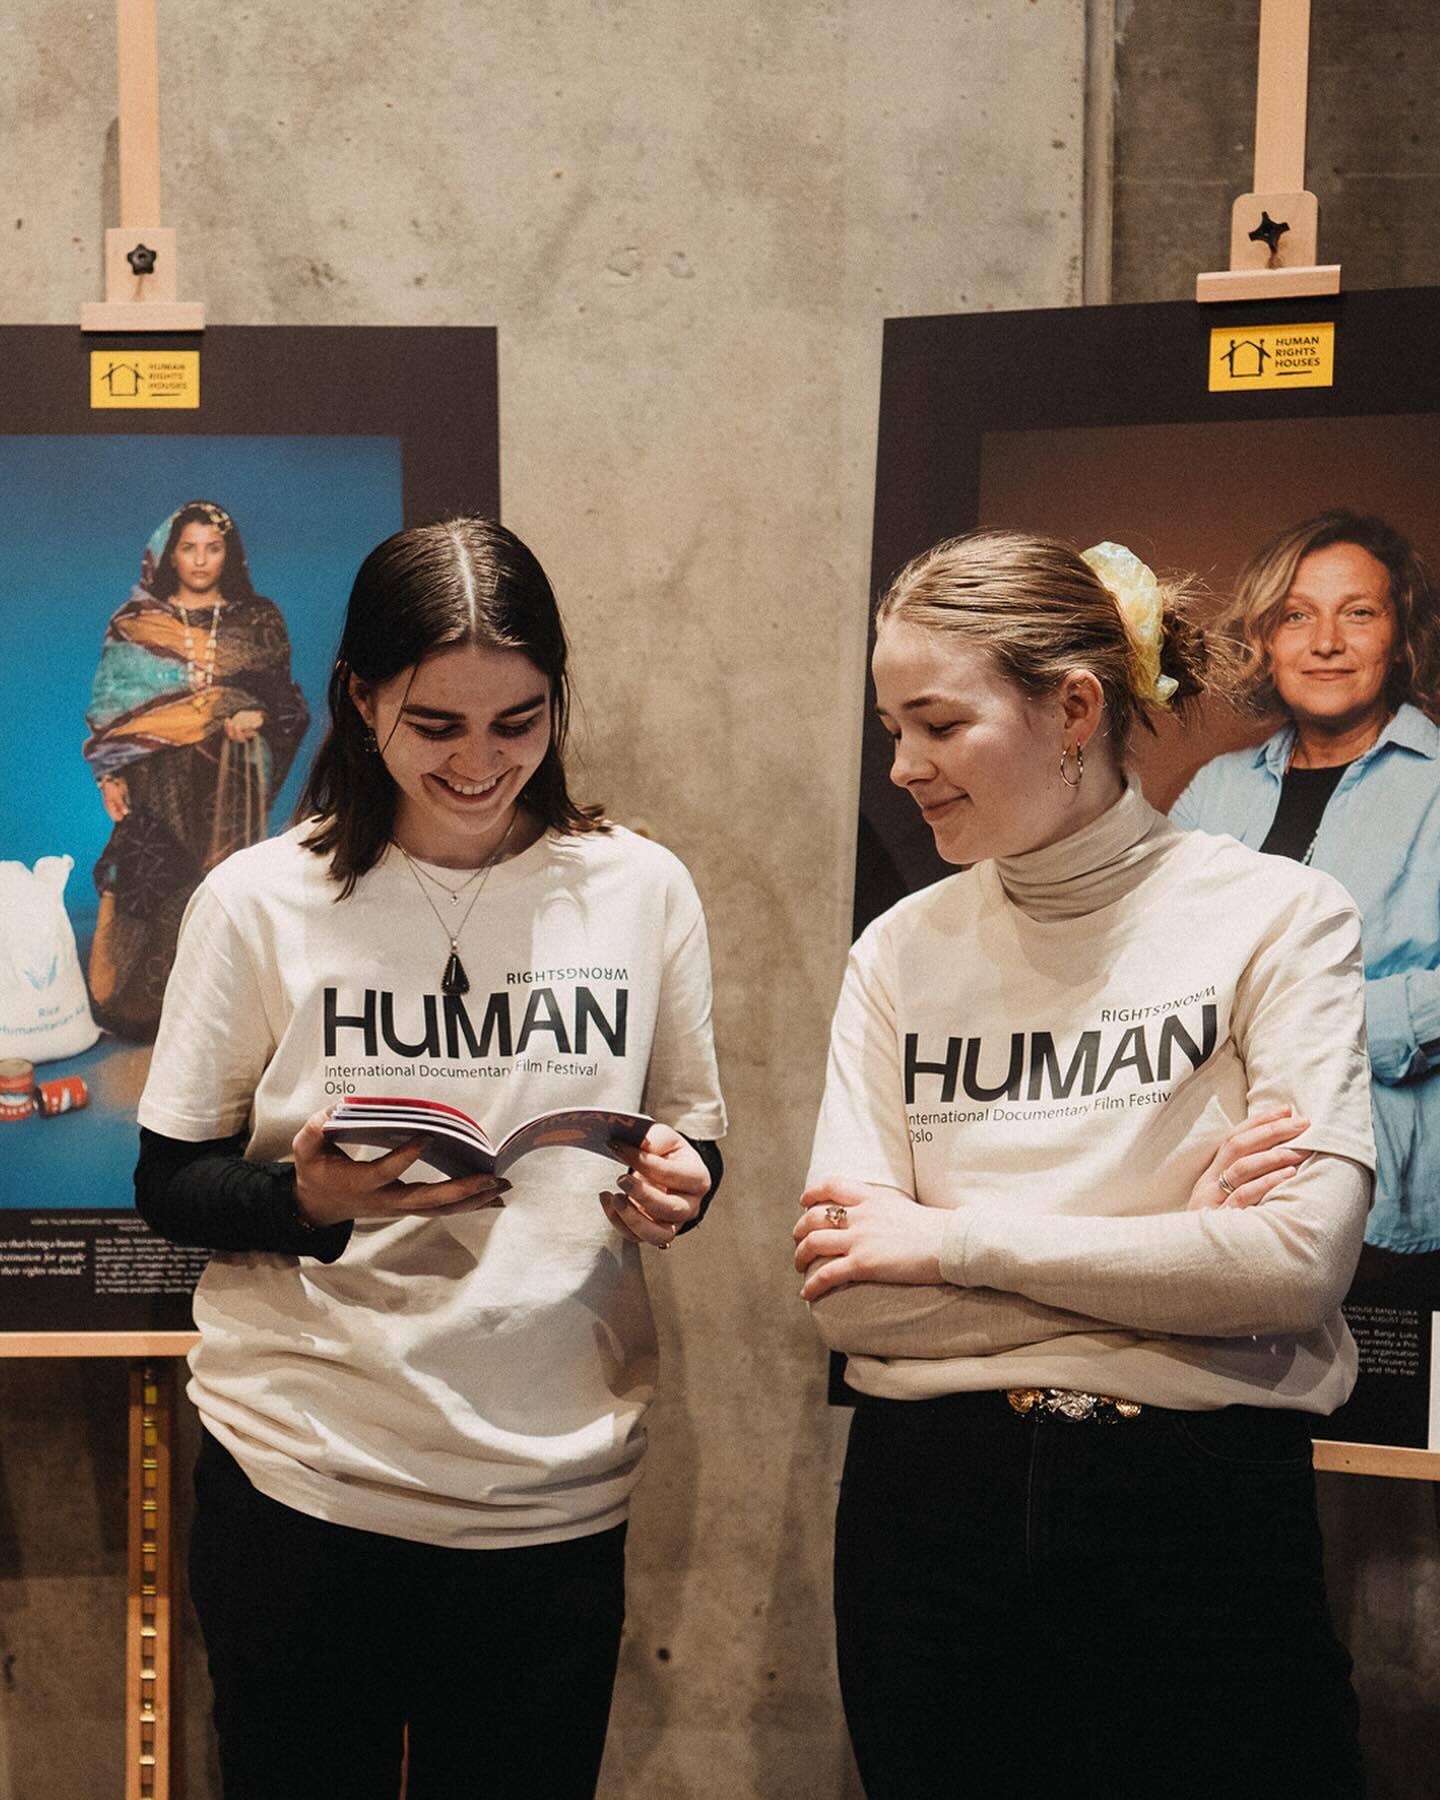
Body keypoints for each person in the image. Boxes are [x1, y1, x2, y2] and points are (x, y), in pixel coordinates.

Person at [133, 518, 727, 1799]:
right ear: (360, 697)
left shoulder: (639, 890)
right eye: (436, 723)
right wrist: (305, 1197)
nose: (480, 762)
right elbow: (168, 1182)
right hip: (307, 1472)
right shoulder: (259, 898)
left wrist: (684, 1184)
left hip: (554, 1486)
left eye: (517, 722)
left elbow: (692, 1126)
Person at [794, 530, 1373, 1799]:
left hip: (1197, 1513)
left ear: (1072, 708)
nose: (904, 768)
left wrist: (950, 1238)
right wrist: (1169, 1237)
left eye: (939, 725)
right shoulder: (898, 952)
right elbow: (855, 1287)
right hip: (928, 1517)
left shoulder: (1279, 917)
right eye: (894, 728)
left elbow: (1289, 1268)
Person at [1172, 509, 1440, 1283]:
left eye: (1358, 612)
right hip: (1223, 1194)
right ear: (1266, 639)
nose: (1326, 642)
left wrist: (1322, 1023)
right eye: (1297, 616)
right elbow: (1147, 967)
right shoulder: (1212, 792)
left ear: (1401, 634)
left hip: (1393, 1207)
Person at [83, 500, 309, 1040]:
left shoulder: (258, 619)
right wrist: (110, 774)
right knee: (148, 871)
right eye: (189, 547)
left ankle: (213, 1011)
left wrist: (251, 713)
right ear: (168, 553)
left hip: (227, 781)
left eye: (213, 547)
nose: (201, 560)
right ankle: (138, 1010)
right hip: (152, 779)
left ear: (229, 554)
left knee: (217, 884)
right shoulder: (134, 623)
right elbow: (113, 710)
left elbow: (285, 699)